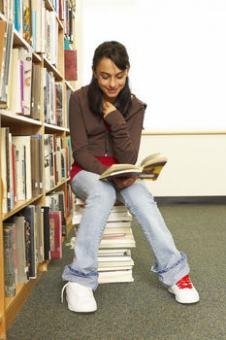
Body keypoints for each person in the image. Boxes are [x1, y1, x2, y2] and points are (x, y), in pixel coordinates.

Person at [61, 41, 199, 312]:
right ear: (93, 72)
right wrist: (106, 175)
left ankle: (176, 273)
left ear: (128, 71)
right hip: (87, 172)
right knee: (102, 193)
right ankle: (80, 278)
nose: (112, 84)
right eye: (104, 76)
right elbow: (79, 151)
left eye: (119, 76)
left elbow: (129, 158)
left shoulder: (135, 106)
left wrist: (115, 120)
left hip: (122, 173)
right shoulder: (78, 98)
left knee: (144, 199)